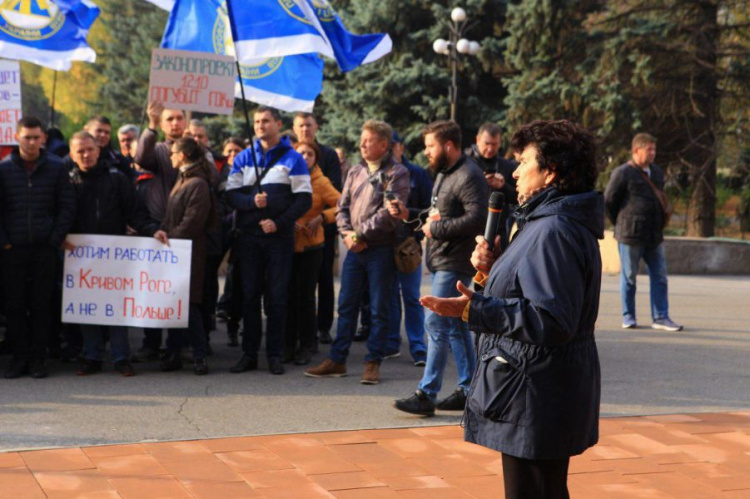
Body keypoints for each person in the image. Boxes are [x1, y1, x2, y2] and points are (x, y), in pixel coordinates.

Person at [422, 119, 603, 499]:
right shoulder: (544, 222)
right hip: (534, 391)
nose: (515, 171)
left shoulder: (554, 230)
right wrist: (491, 274)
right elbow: (532, 292)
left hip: (538, 394)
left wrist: (475, 311)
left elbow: (552, 320)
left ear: (551, 172)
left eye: (525, 162)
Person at [392, 121, 488, 415]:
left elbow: (476, 219)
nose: (427, 152)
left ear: (448, 145)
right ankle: (468, 388)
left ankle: (427, 393)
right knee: (457, 325)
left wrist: (438, 229)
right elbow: (438, 214)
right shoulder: (446, 173)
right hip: (443, 258)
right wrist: (410, 214)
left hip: (455, 261)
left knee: (434, 321)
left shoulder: (469, 175)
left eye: (431, 146)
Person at [304, 120, 409, 385]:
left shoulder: (397, 173)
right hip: (354, 249)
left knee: (378, 308)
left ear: (383, 145)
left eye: (369, 140)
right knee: (346, 305)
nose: (362, 144)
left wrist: (360, 235)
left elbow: (390, 214)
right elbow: (341, 207)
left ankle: (372, 362)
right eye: (362, 140)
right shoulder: (354, 171)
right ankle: (337, 359)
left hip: (380, 250)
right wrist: (347, 234)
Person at [226, 106, 312, 376]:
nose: (260, 125)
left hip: (279, 239)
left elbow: (304, 199)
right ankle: (249, 354)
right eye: (257, 121)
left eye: (266, 121)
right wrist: (251, 201)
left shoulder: (293, 159)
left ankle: (274, 355)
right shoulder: (242, 157)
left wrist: (279, 222)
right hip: (249, 239)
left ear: (278, 124)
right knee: (250, 297)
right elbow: (231, 196)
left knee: (277, 299)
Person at [65, 132, 157, 377]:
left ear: (98, 150)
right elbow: (61, 214)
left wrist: (153, 230)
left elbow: (135, 212)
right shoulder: (67, 181)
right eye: (80, 151)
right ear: (72, 155)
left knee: (117, 308)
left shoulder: (116, 179)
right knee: (87, 308)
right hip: (79, 257)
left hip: (113, 256)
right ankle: (91, 357)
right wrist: (60, 236)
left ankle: (121, 358)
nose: (86, 155)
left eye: (89, 150)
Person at [0, 117, 76, 379]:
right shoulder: (4, 168)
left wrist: (54, 239)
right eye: (26, 137)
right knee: (15, 305)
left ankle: (38, 359)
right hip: (14, 250)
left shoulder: (56, 168)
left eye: (36, 137)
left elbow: (66, 206)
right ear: (17, 137)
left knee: (42, 304)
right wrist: (6, 242)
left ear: (43, 138)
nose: (31, 142)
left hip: (45, 249)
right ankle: (19, 357)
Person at [604, 133, 682, 331]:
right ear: (636, 150)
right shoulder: (622, 173)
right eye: (649, 149)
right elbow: (609, 202)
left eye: (654, 149)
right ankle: (628, 316)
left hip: (654, 235)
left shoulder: (656, 172)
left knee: (660, 277)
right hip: (630, 235)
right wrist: (621, 222)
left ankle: (661, 317)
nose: (653, 153)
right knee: (629, 278)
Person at [153, 137, 215, 375]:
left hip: (188, 251)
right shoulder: (184, 178)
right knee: (176, 302)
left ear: (184, 156)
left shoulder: (197, 183)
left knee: (189, 304)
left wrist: (171, 239)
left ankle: (199, 354)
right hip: (178, 250)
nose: (170, 157)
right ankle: (174, 352)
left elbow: (193, 221)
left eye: (173, 153)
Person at [132, 102, 186, 359]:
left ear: (185, 122)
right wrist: (150, 126)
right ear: (163, 124)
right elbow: (141, 158)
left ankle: (176, 345)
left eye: (179, 118)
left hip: (184, 231)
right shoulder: (159, 150)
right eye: (169, 119)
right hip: (156, 229)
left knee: (179, 290)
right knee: (152, 289)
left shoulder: (194, 150)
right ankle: (151, 342)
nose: (175, 123)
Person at [286, 140, 341, 365]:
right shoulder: (285, 176)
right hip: (287, 245)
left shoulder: (320, 181)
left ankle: (308, 344)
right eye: (301, 153)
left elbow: (341, 204)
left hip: (312, 246)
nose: (305, 157)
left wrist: (322, 218)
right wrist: (288, 221)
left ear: (315, 158)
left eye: (310, 154)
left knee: (306, 297)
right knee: (287, 296)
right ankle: (287, 343)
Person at [383, 131, 431, 365]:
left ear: (401, 147)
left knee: (412, 296)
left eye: (392, 145)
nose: (389, 150)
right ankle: (392, 342)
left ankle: (418, 345)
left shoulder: (418, 174)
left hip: (408, 243)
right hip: (383, 243)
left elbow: (428, 209)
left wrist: (417, 234)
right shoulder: (380, 174)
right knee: (391, 295)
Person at [466, 123, 518, 246]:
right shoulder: (465, 163)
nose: (490, 149)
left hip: (498, 230)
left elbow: (518, 197)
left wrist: (503, 186)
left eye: (494, 144)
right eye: (487, 143)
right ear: (477, 140)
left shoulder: (507, 166)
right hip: (470, 229)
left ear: (500, 143)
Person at [84, 116, 135, 181]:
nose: (103, 135)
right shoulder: (74, 158)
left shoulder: (118, 161)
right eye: (99, 131)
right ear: (86, 130)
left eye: (107, 132)